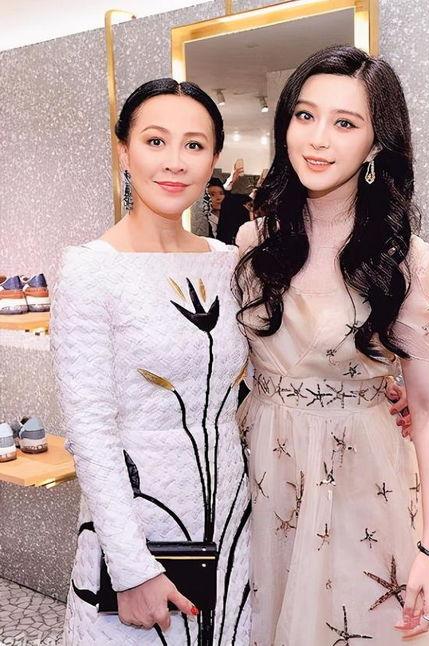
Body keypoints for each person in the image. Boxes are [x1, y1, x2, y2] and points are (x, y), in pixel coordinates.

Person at [235, 45, 429, 645]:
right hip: (260, 474)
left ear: (376, 143)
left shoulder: (411, 264)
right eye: (305, 115)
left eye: (345, 123)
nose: (317, 139)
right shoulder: (253, 242)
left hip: (359, 477)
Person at [51, 79, 251, 645]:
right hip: (138, 522)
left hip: (230, 513)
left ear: (213, 158)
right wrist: (132, 566)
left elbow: (263, 375)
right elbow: (90, 432)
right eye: (155, 141)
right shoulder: (90, 269)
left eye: (194, 145)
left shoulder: (229, 263)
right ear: (124, 151)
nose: (174, 161)